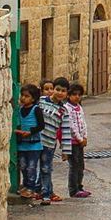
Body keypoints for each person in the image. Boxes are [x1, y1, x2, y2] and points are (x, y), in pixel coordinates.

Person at [38, 77, 72, 206]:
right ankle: (37, 190)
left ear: (66, 93)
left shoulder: (64, 111)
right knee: (33, 167)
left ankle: (46, 195)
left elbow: (66, 132)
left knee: (46, 168)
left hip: (49, 144)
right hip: (36, 142)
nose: (59, 93)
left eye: (63, 91)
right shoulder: (40, 102)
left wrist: (66, 150)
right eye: (57, 89)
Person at [14, 84, 44, 199]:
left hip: (34, 145)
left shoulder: (36, 110)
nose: (23, 98)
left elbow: (41, 125)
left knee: (31, 167)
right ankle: (26, 186)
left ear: (33, 98)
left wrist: (30, 132)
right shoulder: (20, 110)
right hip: (22, 144)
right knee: (22, 166)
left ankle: (31, 188)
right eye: (22, 95)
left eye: (26, 96)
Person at [65, 83, 91, 198]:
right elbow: (72, 126)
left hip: (80, 142)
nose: (77, 97)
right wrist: (79, 138)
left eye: (79, 95)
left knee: (81, 165)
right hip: (72, 142)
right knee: (74, 165)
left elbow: (83, 123)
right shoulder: (67, 108)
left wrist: (85, 136)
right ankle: (73, 189)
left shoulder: (79, 108)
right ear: (69, 95)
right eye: (74, 94)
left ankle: (79, 186)